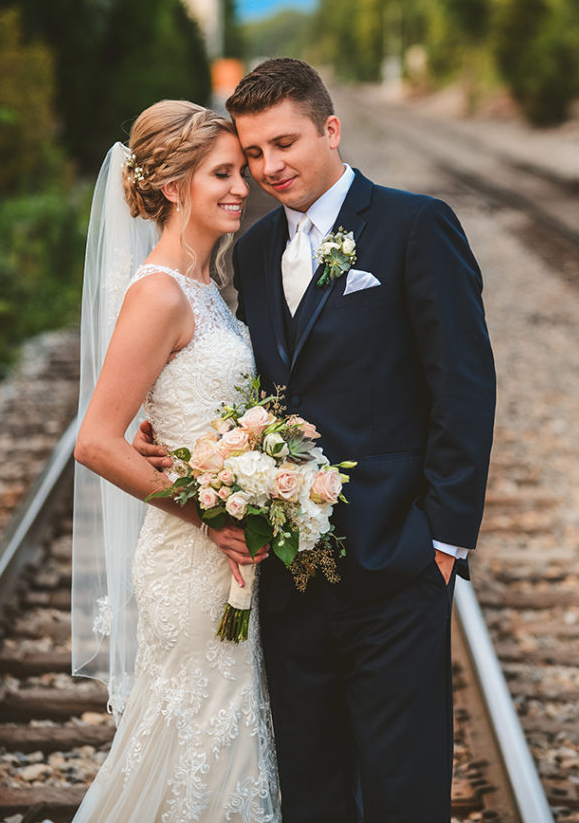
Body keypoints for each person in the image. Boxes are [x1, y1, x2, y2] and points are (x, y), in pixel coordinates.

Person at [138, 59, 496, 823]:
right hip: (289, 574)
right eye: (254, 154)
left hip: (396, 562)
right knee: (312, 786)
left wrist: (444, 544)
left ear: (331, 129)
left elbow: (463, 387)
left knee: (404, 790)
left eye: (284, 144)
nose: (269, 168)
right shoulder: (256, 250)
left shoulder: (414, 225)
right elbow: (259, 384)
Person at [71, 100, 280, 823]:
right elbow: (95, 439)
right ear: (171, 188)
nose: (240, 188)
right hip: (192, 558)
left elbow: (169, 410)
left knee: (220, 745)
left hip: (222, 556)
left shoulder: (208, 289)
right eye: (221, 174)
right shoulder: (159, 294)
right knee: (204, 741)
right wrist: (210, 512)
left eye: (240, 172)